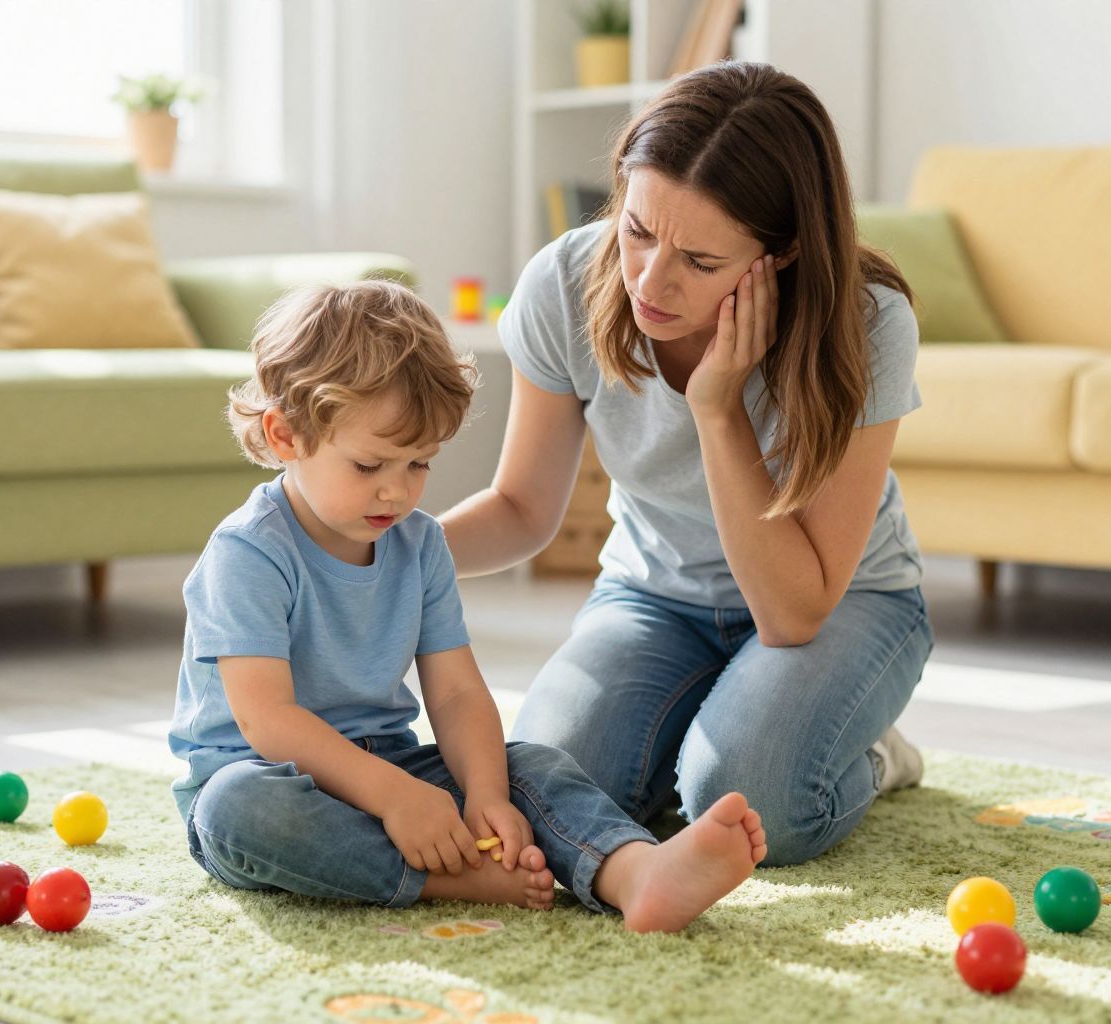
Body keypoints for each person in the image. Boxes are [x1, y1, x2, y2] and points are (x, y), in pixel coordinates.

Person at [439, 62, 935, 867]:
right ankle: (719, 720)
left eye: (701, 262)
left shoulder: (867, 322)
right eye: (637, 231)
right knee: (542, 789)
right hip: (654, 596)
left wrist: (718, 408)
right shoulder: (564, 283)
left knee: (748, 797)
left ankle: (871, 755)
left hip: (842, 604)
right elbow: (524, 508)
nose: (650, 281)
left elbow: (795, 615)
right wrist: (389, 550)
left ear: (784, 251)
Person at [168, 280, 766, 932]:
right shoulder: (249, 553)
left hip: (391, 764)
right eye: (369, 465)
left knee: (531, 764)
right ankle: (441, 878)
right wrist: (395, 798)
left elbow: (455, 694)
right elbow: (268, 720)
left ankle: (633, 872)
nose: (396, 492)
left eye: (418, 464)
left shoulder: (420, 544)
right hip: (267, 776)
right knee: (239, 809)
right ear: (285, 436)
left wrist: (485, 796)